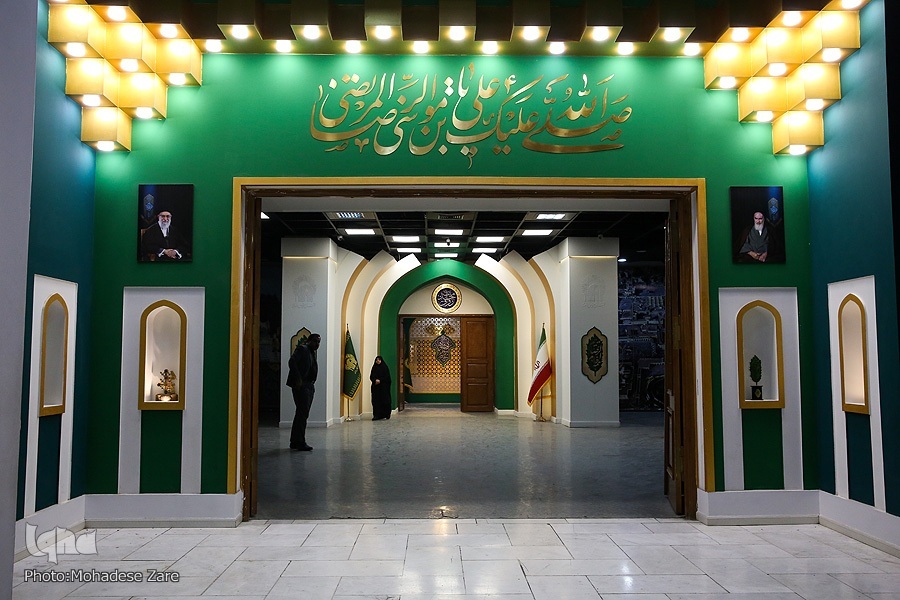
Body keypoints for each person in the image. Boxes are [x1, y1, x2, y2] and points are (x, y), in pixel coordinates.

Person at [285, 333, 321, 451]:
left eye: (318, 342)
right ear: (309, 341)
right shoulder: (303, 349)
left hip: (309, 385)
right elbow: (292, 362)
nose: (317, 344)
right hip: (302, 385)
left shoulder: (311, 352)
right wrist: (298, 379)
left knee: (302, 414)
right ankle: (299, 441)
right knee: (302, 413)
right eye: (315, 341)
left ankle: (295, 441)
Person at [370, 355, 392, 421]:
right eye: (377, 360)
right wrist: (375, 380)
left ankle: (386, 414)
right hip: (376, 388)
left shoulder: (384, 368)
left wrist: (380, 381)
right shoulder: (374, 368)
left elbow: (387, 378)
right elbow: (371, 376)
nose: (378, 361)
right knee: (376, 401)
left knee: (385, 401)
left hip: (383, 388)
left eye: (379, 360)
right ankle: (377, 415)